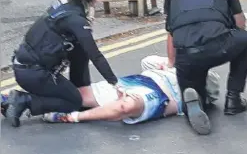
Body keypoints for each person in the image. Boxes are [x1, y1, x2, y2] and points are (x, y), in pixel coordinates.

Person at [5, 0, 120, 128]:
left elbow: (80, 56)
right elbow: (95, 55)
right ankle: (23, 100)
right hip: (35, 73)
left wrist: (81, 88)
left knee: (75, 94)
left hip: (24, 67)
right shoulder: (76, 20)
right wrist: (115, 83)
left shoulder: (63, 6)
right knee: (73, 102)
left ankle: (7, 104)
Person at [164, 0, 247, 135]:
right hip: (218, 45)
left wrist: (172, 63)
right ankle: (233, 99)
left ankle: (195, 103)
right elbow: (240, 23)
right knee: (245, 39)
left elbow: (171, 32)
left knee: (195, 88)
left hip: (186, 54)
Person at [2, 56, 220, 125]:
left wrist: (74, 117)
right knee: (74, 95)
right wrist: (168, 63)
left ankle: (72, 114)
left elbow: (205, 87)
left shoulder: (203, 82)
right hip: (139, 82)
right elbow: (148, 60)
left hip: (159, 96)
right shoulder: (173, 68)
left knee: (125, 106)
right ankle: (17, 99)